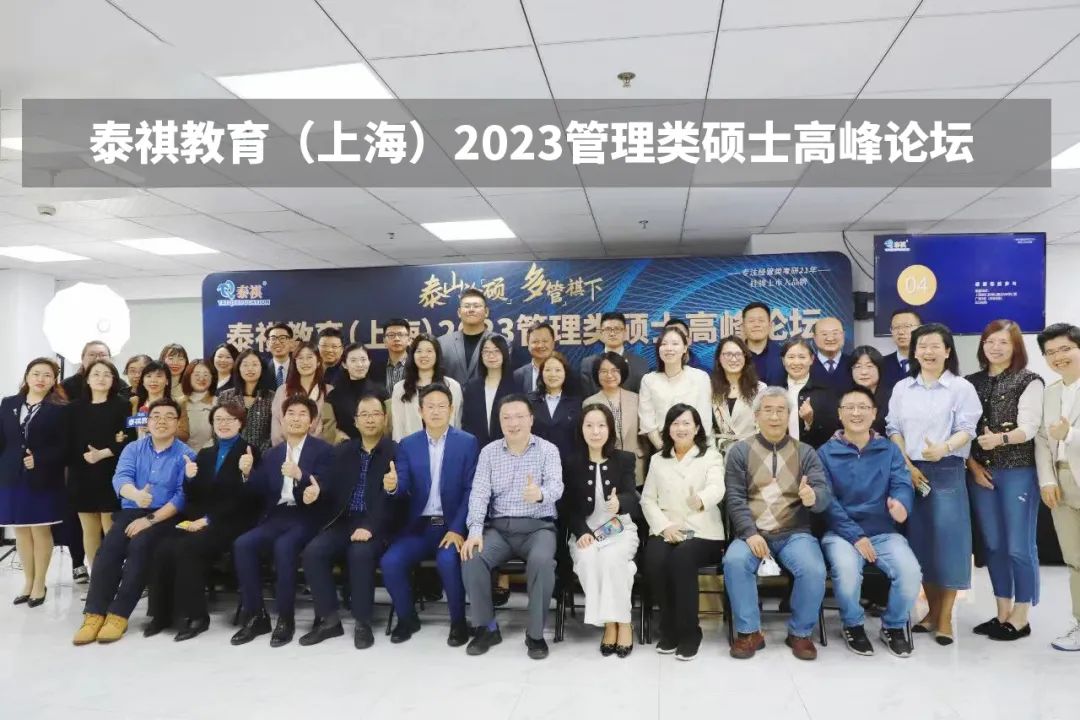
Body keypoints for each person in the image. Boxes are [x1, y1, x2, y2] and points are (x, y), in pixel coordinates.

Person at [887, 322, 981, 646]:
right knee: (920, 542)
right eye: (922, 346)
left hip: (947, 469)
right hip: (910, 471)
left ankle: (945, 618)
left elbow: (968, 428)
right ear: (914, 352)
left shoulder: (961, 388)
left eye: (935, 346)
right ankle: (930, 611)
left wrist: (944, 448)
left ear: (947, 351)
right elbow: (893, 428)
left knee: (950, 544)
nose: (928, 351)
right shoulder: (902, 388)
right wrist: (907, 465)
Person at [72, 398, 194, 645]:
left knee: (140, 546)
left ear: (177, 422)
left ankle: (119, 614)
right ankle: (94, 613)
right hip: (132, 508)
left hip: (165, 515)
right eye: (156, 416)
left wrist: (150, 520)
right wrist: (136, 495)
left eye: (169, 416)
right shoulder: (133, 448)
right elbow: (120, 479)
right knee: (109, 548)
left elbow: (181, 498)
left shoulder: (187, 455)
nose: (161, 421)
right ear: (147, 422)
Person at [723, 386, 832, 661]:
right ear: (756, 415)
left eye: (781, 410)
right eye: (768, 410)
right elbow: (734, 498)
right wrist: (749, 533)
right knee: (734, 562)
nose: (774, 417)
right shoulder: (739, 451)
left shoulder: (805, 452)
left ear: (789, 415)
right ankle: (750, 632)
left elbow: (823, 494)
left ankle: (800, 633)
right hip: (752, 533)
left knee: (813, 569)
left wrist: (812, 497)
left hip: (794, 533)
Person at [144, 401, 261, 641]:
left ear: (240, 423)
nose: (224, 424)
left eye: (230, 419)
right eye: (218, 420)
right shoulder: (206, 454)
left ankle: (196, 616)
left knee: (188, 548)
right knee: (162, 545)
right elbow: (195, 496)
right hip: (202, 520)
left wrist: (246, 474)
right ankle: (161, 614)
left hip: (234, 522)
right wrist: (189, 480)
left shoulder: (250, 452)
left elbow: (251, 498)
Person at [819, 386, 920, 658]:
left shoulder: (889, 450)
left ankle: (894, 626)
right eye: (849, 407)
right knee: (847, 573)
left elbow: (902, 484)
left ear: (874, 413)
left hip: (883, 532)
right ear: (840, 414)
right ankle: (853, 625)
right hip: (841, 533)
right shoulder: (825, 453)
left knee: (910, 573)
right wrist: (855, 536)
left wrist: (901, 504)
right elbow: (827, 501)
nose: (856, 413)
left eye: (863, 407)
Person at [461, 394, 564, 659]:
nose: (513, 422)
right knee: (472, 555)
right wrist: (475, 531)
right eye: (506, 417)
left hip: (538, 528)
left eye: (519, 416)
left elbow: (556, 486)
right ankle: (486, 627)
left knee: (542, 562)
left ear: (531, 419)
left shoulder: (548, 450)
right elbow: (479, 494)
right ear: (499, 421)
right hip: (499, 529)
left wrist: (540, 494)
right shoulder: (489, 452)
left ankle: (535, 634)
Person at [231, 395, 332, 648]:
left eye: (302, 414)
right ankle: (257, 616)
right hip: (277, 515)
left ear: (312, 422)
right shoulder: (273, 454)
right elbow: (260, 490)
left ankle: (286, 619)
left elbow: (327, 488)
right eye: (291, 414)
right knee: (243, 544)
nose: (296, 419)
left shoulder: (324, 451)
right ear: (282, 420)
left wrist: (301, 475)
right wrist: (247, 473)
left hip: (307, 515)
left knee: (284, 547)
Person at [381, 384, 478, 646]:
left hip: (451, 525)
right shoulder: (408, 444)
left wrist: (457, 529)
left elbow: (471, 490)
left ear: (451, 409)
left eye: (441, 406)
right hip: (419, 527)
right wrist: (393, 486)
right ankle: (407, 618)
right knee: (391, 562)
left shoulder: (467, 442)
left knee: (448, 561)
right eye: (430, 406)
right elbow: (402, 485)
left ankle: (458, 622)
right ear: (420, 411)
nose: (436, 411)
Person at [966, 319, 1044, 642]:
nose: (995, 348)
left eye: (1003, 342)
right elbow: (961, 430)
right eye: (989, 341)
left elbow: (1030, 427)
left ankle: (1021, 616)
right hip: (980, 474)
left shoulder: (1029, 380)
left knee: (1018, 546)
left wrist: (1000, 439)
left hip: (1018, 471)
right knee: (994, 546)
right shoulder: (970, 382)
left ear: (1016, 347)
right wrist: (972, 465)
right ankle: (1002, 613)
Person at [299, 394, 397, 649]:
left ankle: (363, 622)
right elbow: (328, 485)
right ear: (355, 421)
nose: (370, 419)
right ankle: (329, 620)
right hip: (343, 520)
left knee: (359, 553)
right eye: (364, 414)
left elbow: (396, 500)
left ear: (385, 418)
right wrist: (317, 491)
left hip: (376, 523)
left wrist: (371, 526)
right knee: (313, 552)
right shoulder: (343, 451)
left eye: (375, 414)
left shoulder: (396, 451)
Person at [641, 403, 725, 661]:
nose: (681, 428)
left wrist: (701, 499)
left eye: (686, 423)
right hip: (668, 528)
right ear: (668, 429)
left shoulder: (710, 455)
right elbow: (647, 499)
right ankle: (669, 630)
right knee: (654, 559)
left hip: (702, 531)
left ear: (697, 427)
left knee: (682, 558)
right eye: (675, 423)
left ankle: (690, 633)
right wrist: (665, 526)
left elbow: (717, 487)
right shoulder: (658, 459)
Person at [563, 404, 640, 657]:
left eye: (601, 425)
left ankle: (623, 623)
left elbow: (632, 497)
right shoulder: (572, 462)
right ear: (581, 429)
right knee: (587, 559)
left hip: (619, 528)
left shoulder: (625, 459)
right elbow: (568, 506)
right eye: (589, 425)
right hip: (587, 531)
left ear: (610, 429)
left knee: (611, 560)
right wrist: (582, 531)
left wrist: (620, 503)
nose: (595, 432)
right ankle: (609, 623)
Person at [1, 358, 69, 607]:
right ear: (27, 376)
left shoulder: (60, 409)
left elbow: (65, 447)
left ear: (54, 381)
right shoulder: (9, 403)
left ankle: (40, 583)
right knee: (20, 530)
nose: (41, 379)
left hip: (43, 477)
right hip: (11, 475)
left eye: (47, 375)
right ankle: (27, 582)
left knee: (40, 530)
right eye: (36, 373)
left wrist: (40, 458)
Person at [1034, 323, 1080, 651]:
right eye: (1051, 352)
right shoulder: (1050, 393)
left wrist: (1071, 435)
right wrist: (1048, 479)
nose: (1058, 357)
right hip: (1061, 482)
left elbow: (1065, 435)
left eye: (1065, 349)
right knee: (1075, 559)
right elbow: (1041, 440)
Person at [66, 359, 133, 577]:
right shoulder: (74, 408)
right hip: (81, 473)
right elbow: (67, 441)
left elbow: (130, 438)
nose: (101, 378)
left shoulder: (123, 405)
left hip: (111, 473)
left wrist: (103, 453)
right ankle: (97, 577)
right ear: (87, 379)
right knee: (89, 529)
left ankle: (111, 576)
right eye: (96, 374)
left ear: (114, 379)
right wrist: (85, 456)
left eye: (107, 374)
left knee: (110, 529)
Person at [639, 326, 713, 453]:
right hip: (661, 448)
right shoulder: (649, 380)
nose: (669, 348)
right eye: (664, 344)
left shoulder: (700, 377)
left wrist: (690, 451)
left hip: (696, 448)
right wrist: (664, 449)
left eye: (675, 343)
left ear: (685, 348)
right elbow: (648, 422)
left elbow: (704, 420)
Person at [583, 351, 645, 485]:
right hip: (604, 465)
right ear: (596, 374)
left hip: (636, 465)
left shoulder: (637, 399)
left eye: (614, 370)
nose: (609, 375)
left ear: (622, 372)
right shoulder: (589, 403)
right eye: (603, 371)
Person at [390, 333, 463, 441]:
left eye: (429, 351)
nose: (424, 355)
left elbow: (457, 424)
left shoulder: (452, 386)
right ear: (412, 355)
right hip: (411, 448)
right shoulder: (400, 388)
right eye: (419, 351)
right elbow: (398, 429)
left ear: (437, 355)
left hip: (447, 446)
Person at [711, 336, 766, 456]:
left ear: (745, 357)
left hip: (751, 453)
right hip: (717, 455)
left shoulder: (760, 389)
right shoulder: (709, 389)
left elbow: (763, 428)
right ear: (719, 358)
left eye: (738, 354)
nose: (733, 359)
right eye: (728, 354)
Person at [270, 342, 333, 446]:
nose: (305, 362)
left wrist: (308, 449)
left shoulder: (329, 391)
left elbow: (329, 429)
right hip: (286, 450)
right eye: (300, 358)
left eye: (309, 357)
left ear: (318, 362)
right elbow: (277, 430)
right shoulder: (282, 390)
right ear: (295, 362)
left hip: (320, 451)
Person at [780, 337, 838, 448]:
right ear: (783, 360)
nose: (796, 362)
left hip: (814, 454)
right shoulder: (776, 390)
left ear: (812, 359)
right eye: (791, 357)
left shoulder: (825, 391)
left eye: (802, 357)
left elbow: (832, 432)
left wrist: (810, 421)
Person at [326, 343, 389, 441]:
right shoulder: (334, 396)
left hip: (377, 446)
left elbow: (388, 425)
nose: (359, 364)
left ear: (369, 362)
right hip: (345, 447)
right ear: (344, 364)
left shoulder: (381, 392)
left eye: (363, 359)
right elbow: (329, 427)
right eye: (353, 360)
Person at [462, 334, 517, 447]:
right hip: (477, 447)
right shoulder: (472, 387)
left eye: (496, 351)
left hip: (507, 447)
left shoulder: (515, 385)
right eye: (486, 351)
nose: (491, 356)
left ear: (504, 354)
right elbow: (467, 422)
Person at [218, 349, 274, 453]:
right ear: (238, 368)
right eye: (245, 365)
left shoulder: (272, 398)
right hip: (229, 455)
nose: (250, 369)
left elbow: (273, 432)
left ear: (262, 368)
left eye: (254, 364)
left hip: (263, 456)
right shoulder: (225, 396)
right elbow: (217, 428)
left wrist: (259, 454)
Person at [529, 352, 582, 463]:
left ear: (565, 373)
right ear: (541, 373)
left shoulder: (577, 403)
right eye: (548, 370)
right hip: (536, 462)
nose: (553, 374)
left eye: (558, 370)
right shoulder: (529, 401)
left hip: (568, 464)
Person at [579, 312, 649, 396]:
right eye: (608, 329)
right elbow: (586, 398)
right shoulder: (588, 363)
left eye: (617, 329)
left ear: (625, 332)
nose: (612, 333)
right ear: (601, 333)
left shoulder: (640, 363)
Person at [439, 288, 494, 386]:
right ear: (459, 312)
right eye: (467, 306)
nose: (471, 310)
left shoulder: (501, 343)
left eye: (476, 306)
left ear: (486, 312)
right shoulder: (442, 343)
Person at [176, 360, 217, 451]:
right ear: (188, 377)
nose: (201, 378)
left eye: (206, 375)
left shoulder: (218, 403)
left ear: (212, 378)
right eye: (196, 374)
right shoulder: (179, 403)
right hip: (183, 455)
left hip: (210, 454)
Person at [741, 302, 784, 386]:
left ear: (770, 325)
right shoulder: (735, 355)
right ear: (743, 326)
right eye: (751, 321)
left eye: (761, 320)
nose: (756, 325)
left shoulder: (783, 354)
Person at [850, 346, 889, 435]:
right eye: (858, 366)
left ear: (879, 369)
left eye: (869, 366)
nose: (864, 372)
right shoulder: (846, 397)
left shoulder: (893, 397)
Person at [883, 308, 922, 392]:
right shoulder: (881, 364)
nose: (901, 332)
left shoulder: (929, 363)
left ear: (920, 329)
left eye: (907, 326)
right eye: (896, 327)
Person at [514, 322, 558, 394]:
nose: (540, 345)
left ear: (553, 344)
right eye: (535, 341)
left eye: (545, 341)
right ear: (528, 345)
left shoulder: (566, 374)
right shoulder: (518, 376)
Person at [131, 361, 172, 439]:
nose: (153, 380)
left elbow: (182, 434)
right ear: (143, 381)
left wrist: (155, 429)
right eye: (149, 376)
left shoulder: (173, 405)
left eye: (159, 376)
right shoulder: (136, 402)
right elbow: (134, 431)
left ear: (167, 381)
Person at [809, 317, 851, 391]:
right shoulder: (806, 365)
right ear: (814, 337)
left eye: (835, 333)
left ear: (843, 335)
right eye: (824, 334)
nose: (830, 338)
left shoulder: (853, 364)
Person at [380, 318, 411, 394]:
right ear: (384, 341)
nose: (396, 339)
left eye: (401, 335)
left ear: (409, 340)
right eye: (391, 335)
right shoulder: (375, 368)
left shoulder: (417, 365)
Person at [263, 323, 294, 389]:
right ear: (268, 344)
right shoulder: (262, 368)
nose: (277, 342)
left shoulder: (299, 367)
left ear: (291, 342)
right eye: (273, 339)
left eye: (282, 338)